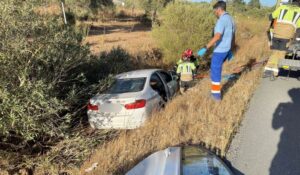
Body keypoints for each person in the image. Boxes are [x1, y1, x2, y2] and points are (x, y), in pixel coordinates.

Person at [197, 0, 235, 101]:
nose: (215, 13)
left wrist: (205, 48)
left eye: (215, 10)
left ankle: (216, 96)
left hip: (219, 51)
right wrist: (231, 49)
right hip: (226, 49)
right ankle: (215, 92)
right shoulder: (230, 19)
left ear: (219, 9)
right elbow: (233, 35)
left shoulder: (221, 20)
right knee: (216, 71)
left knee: (215, 73)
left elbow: (217, 36)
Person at [264, 0, 300, 77]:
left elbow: (271, 17)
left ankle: (267, 70)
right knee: (281, 53)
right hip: (287, 36)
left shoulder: (282, 7)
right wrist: (296, 39)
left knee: (274, 52)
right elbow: (298, 28)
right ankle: (274, 72)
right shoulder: (299, 11)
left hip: (276, 33)